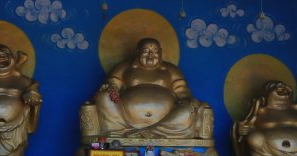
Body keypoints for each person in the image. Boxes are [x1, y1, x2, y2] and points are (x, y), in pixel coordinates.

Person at [80, 38, 213, 142]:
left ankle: (152, 131)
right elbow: (111, 84)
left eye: (155, 51)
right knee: (104, 96)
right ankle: (124, 131)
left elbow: (182, 91)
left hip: (166, 124)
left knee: (190, 106)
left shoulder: (171, 70)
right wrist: (111, 89)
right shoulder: (125, 67)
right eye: (146, 51)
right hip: (124, 122)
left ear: (161, 52)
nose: (150, 55)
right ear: (138, 52)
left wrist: (186, 100)